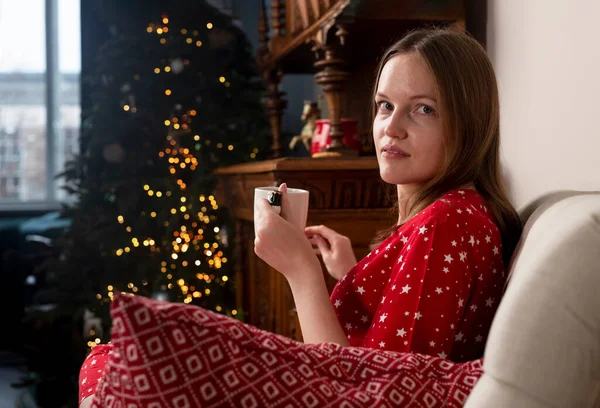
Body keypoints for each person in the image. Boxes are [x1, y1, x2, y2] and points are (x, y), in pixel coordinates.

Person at [79, 27, 522, 407]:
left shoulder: (448, 223)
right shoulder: (453, 215)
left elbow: (364, 391)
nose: (392, 126)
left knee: (113, 365)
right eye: (385, 105)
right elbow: (394, 355)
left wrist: (302, 272)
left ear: (468, 122)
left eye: (422, 108)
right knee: (111, 361)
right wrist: (351, 275)